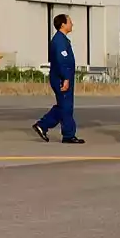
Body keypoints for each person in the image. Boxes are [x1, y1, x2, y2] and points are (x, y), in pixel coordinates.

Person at [32, 13, 84, 144]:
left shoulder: (62, 40)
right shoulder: (59, 41)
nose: (72, 24)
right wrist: (66, 79)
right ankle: (60, 131)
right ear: (63, 24)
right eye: (70, 22)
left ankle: (51, 128)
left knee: (64, 106)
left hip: (63, 77)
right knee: (65, 107)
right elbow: (62, 61)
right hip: (61, 78)